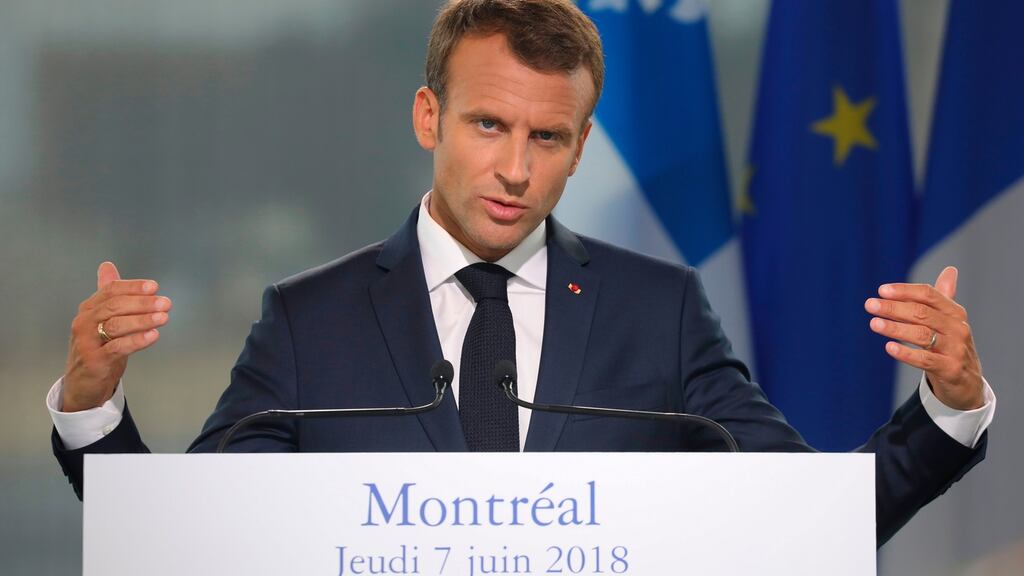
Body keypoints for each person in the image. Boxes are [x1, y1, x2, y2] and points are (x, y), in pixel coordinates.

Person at [49, 0, 993, 546]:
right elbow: (195, 540)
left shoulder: (658, 313)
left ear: (580, 148)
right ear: (429, 117)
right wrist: (93, 413)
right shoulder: (309, 320)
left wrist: (947, 410)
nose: (514, 168)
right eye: (488, 125)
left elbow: (806, 524)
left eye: (547, 137)